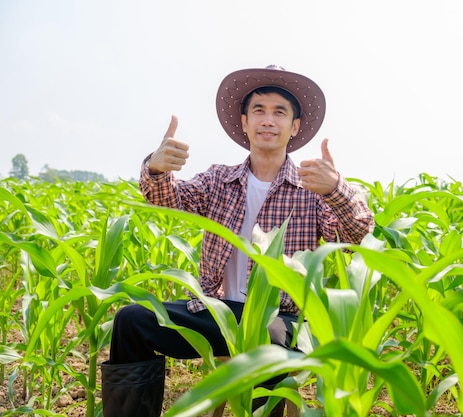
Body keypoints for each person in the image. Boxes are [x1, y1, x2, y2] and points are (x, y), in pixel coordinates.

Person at [100, 65, 375, 417]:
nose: (267, 120)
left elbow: (358, 239)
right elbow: (168, 200)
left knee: (270, 342)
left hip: (280, 317)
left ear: (295, 127)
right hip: (215, 310)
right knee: (131, 320)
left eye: (280, 112)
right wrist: (155, 168)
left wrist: (337, 189)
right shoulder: (219, 180)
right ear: (244, 122)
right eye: (258, 110)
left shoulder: (313, 190)